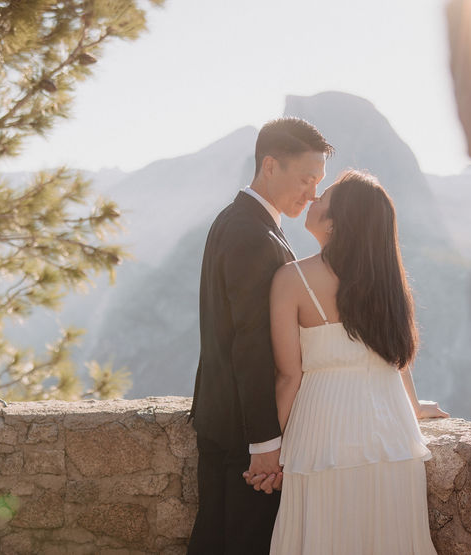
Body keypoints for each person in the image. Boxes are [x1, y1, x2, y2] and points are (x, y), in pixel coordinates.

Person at [265, 169, 445, 555]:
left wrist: (271, 449)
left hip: (323, 430)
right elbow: (395, 355)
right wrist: (413, 408)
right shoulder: (387, 280)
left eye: (324, 196)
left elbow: (288, 376)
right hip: (392, 430)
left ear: (335, 220)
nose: (313, 199)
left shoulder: (291, 279)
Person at [188, 117, 335, 555]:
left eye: (319, 182)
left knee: (213, 540)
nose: (312, 194)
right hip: (244, 434)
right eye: (307, 179)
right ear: (270, 166)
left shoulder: (234, 220)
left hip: (220, 416)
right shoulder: (254, 234)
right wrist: (265, 445)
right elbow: (251, 344)